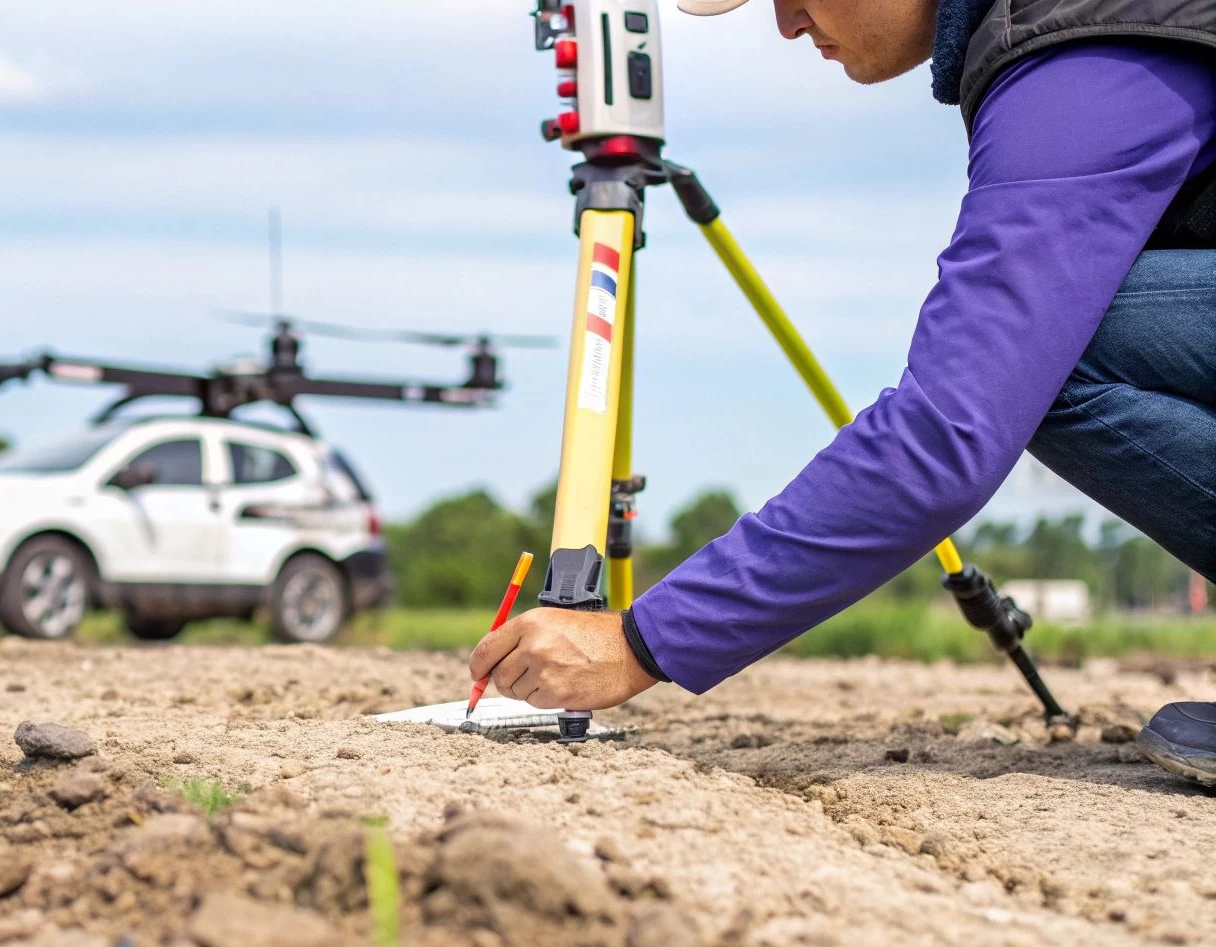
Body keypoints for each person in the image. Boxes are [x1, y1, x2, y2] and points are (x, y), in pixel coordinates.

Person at [469, 0, 1216, 786]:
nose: (787, 23)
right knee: (1059, 334)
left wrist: (643, 640)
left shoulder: (1084, 63)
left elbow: (946, 432)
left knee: (1054, 350)